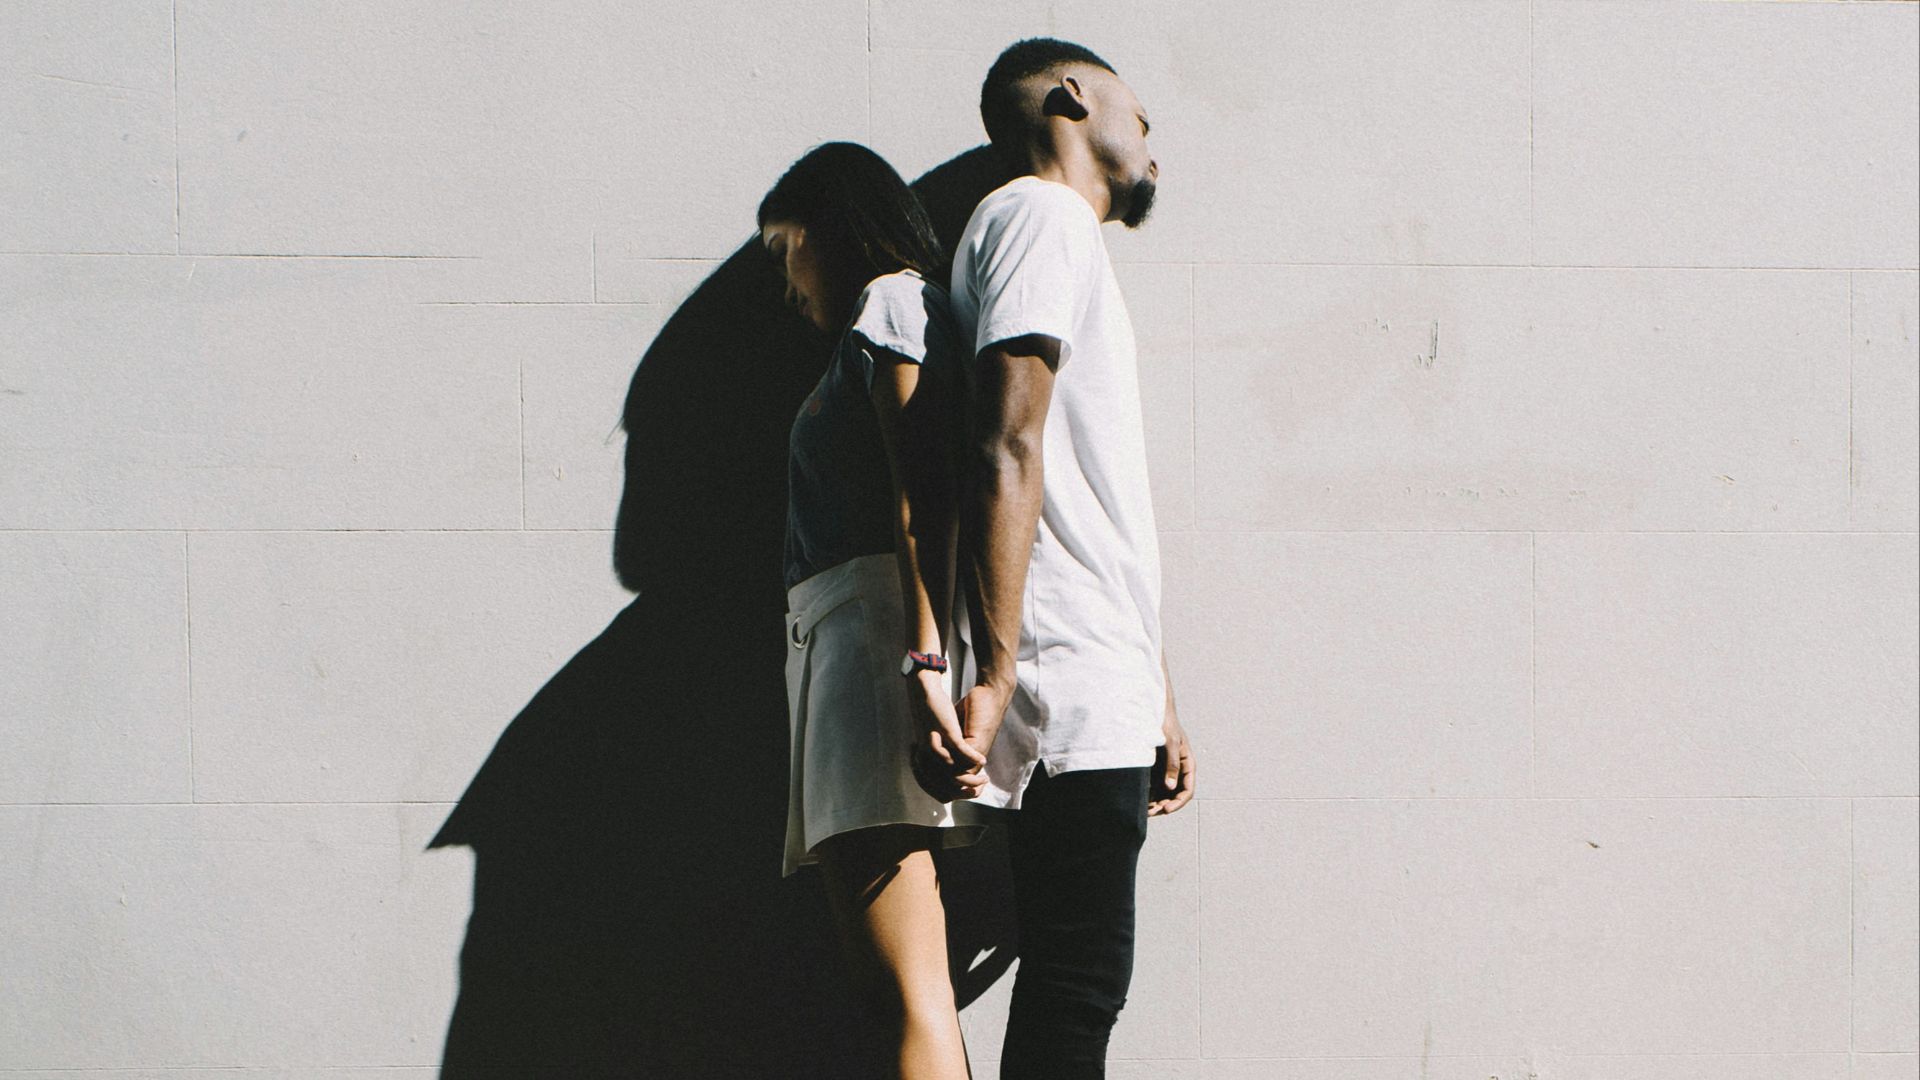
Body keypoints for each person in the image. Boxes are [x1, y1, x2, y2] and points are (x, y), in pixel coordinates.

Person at [913, 38, 1198, 1079]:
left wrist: (1154, 690)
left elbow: (1082, 488)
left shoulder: (1060, 235)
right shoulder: (1039, 216)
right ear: (1073, 95)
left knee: (1076, 982)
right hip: (1061, 669)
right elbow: (1005, 440)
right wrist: (993, 674)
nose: (1155, 147)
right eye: (1144, 115)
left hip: (1097, 669)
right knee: (1079, 985)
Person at [761, 140, 989, 1080]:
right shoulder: (881, 313)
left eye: (786, 250)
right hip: (845, 655)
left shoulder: (891, 299)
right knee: (893, 984)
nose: (784, 283)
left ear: (829, 227)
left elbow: (922, 493)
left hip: (868, 653)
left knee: (909, 990)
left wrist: (922, 668)